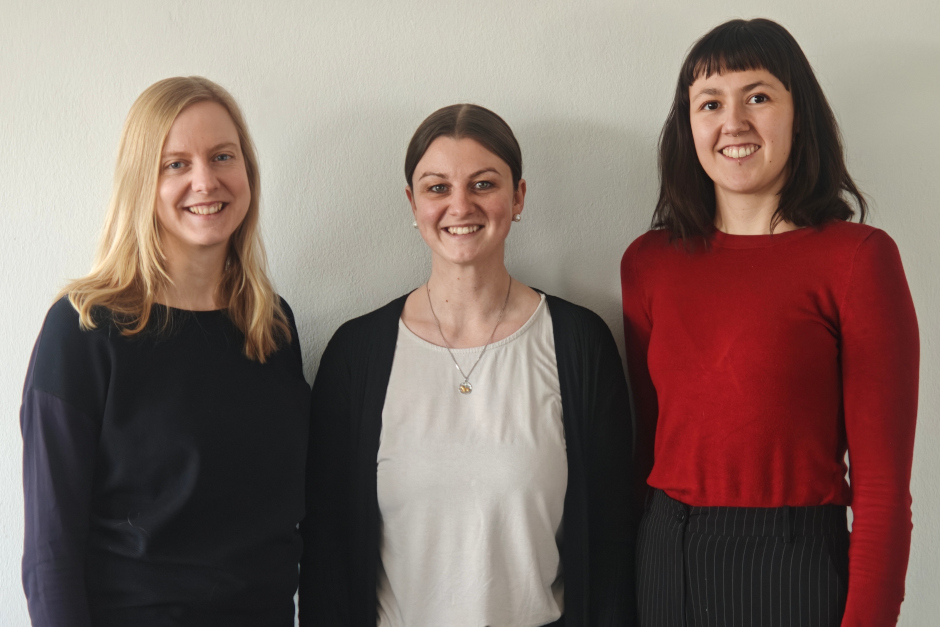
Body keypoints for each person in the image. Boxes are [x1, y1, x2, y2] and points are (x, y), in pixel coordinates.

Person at [621, 18, 919, 627]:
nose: (734, 122)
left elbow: (884, 493)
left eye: (758, 96)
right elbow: (648, 444)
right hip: (662, 557)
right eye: (710, 103)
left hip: (793, 563)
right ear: (690, 128)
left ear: (799, 114)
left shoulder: (858, 259)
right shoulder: (648, 264)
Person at [300, 103, 636, 627]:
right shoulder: (356, 355)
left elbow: (613, 540)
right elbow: (326, 543)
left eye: (483, 184)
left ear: (518, 196)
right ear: (412, 203)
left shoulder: (579, 344)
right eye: (437, 188)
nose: (460, 205)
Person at [20, 77, 309, 627]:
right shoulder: (82, 329)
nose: (206, 180)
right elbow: (50, 554)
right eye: (175, 164)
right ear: (141, 184)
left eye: (223, 156)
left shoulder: (271, 325)